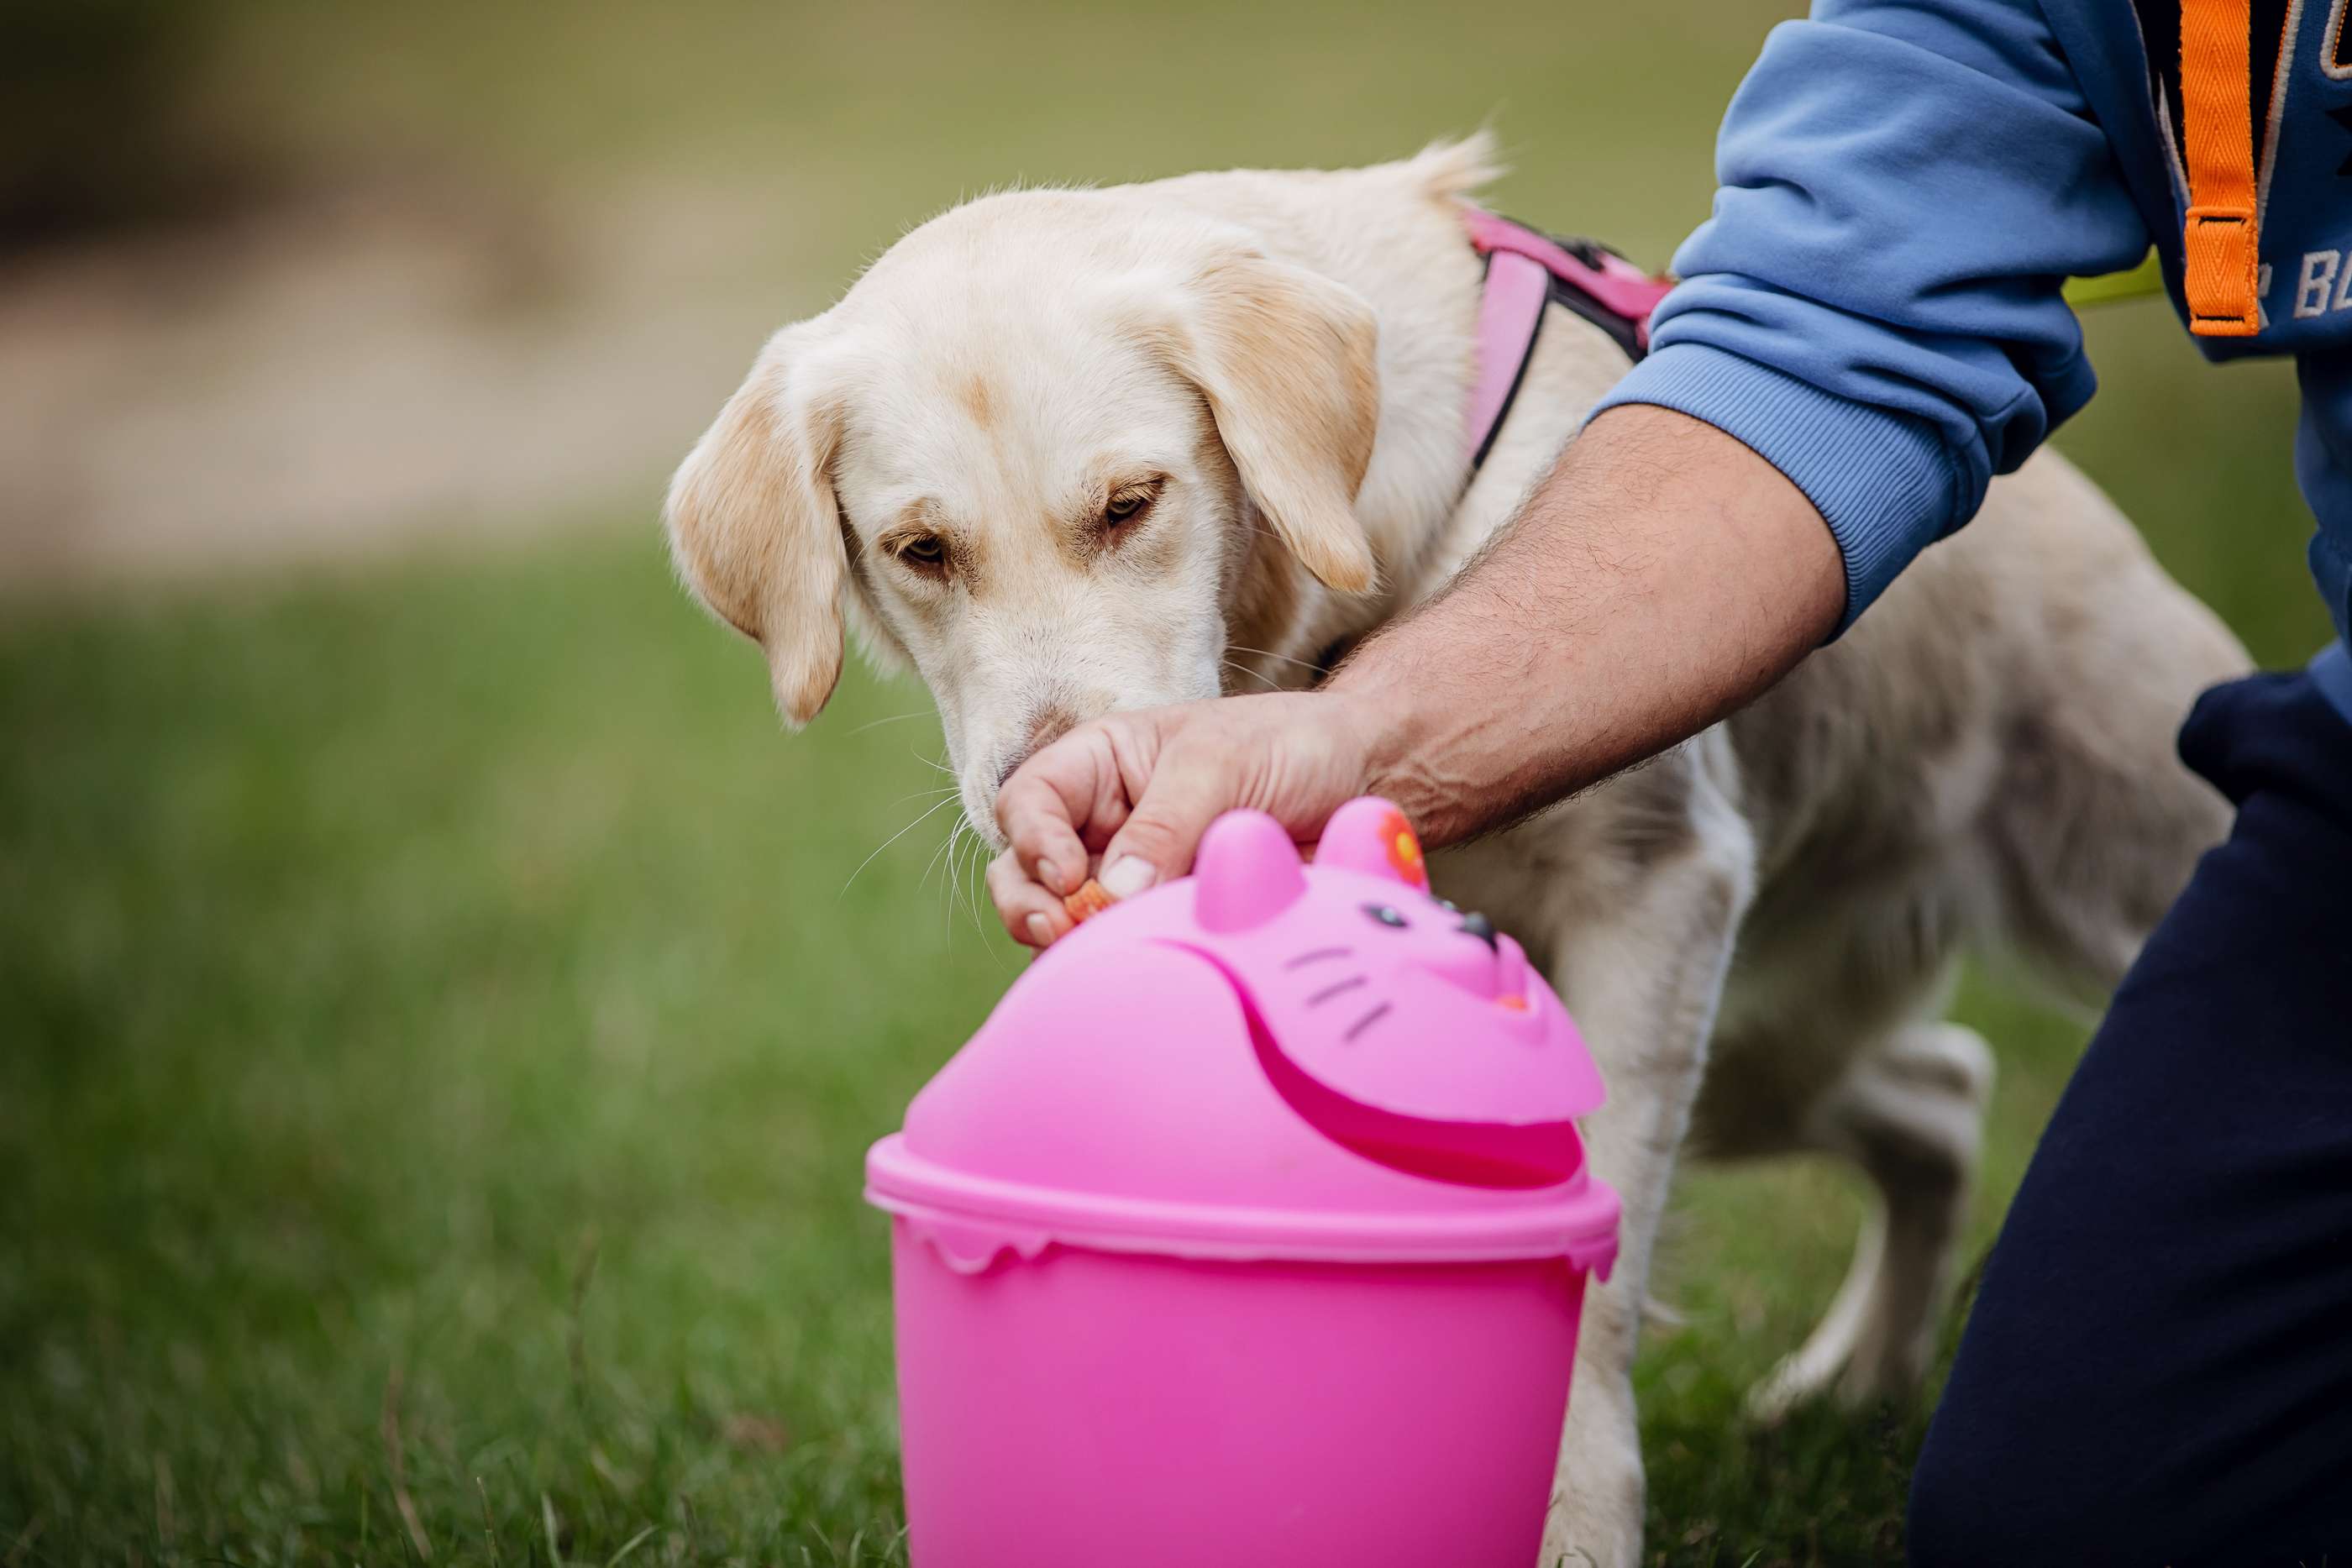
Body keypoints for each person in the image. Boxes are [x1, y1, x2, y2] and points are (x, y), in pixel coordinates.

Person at [985, 0, 2352, 1559]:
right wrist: (1359, 745)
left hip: (2038, 654)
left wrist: (1571, 1414)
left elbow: (1667, 865)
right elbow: (1834, 337)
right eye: (925, 558)